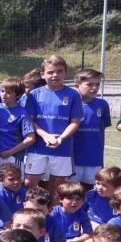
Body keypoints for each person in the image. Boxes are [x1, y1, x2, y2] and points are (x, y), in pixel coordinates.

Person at [23, 55, 82, 194]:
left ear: (65, 72)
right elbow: (30, 120)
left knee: (58, 186)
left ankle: (52, 213)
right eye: (50, 72)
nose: (55, 75)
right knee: (29, 183)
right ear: (43, 74)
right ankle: (31, 212)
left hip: (62, 147)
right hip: (37, 148)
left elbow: (75, 122)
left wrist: (60, 139)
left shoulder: (73, 95)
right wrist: (45, 135)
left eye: (59, 71)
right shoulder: (34, 94)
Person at [71, 69, 110, 187]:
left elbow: (103, 127)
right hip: (73, 157)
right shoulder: (71, 103)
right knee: (69, 190)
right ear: (77, 85)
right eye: (89, 84)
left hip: (94, 157)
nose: (94, 88)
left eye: (97, 84)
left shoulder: (102, 104)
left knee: (90, 190)